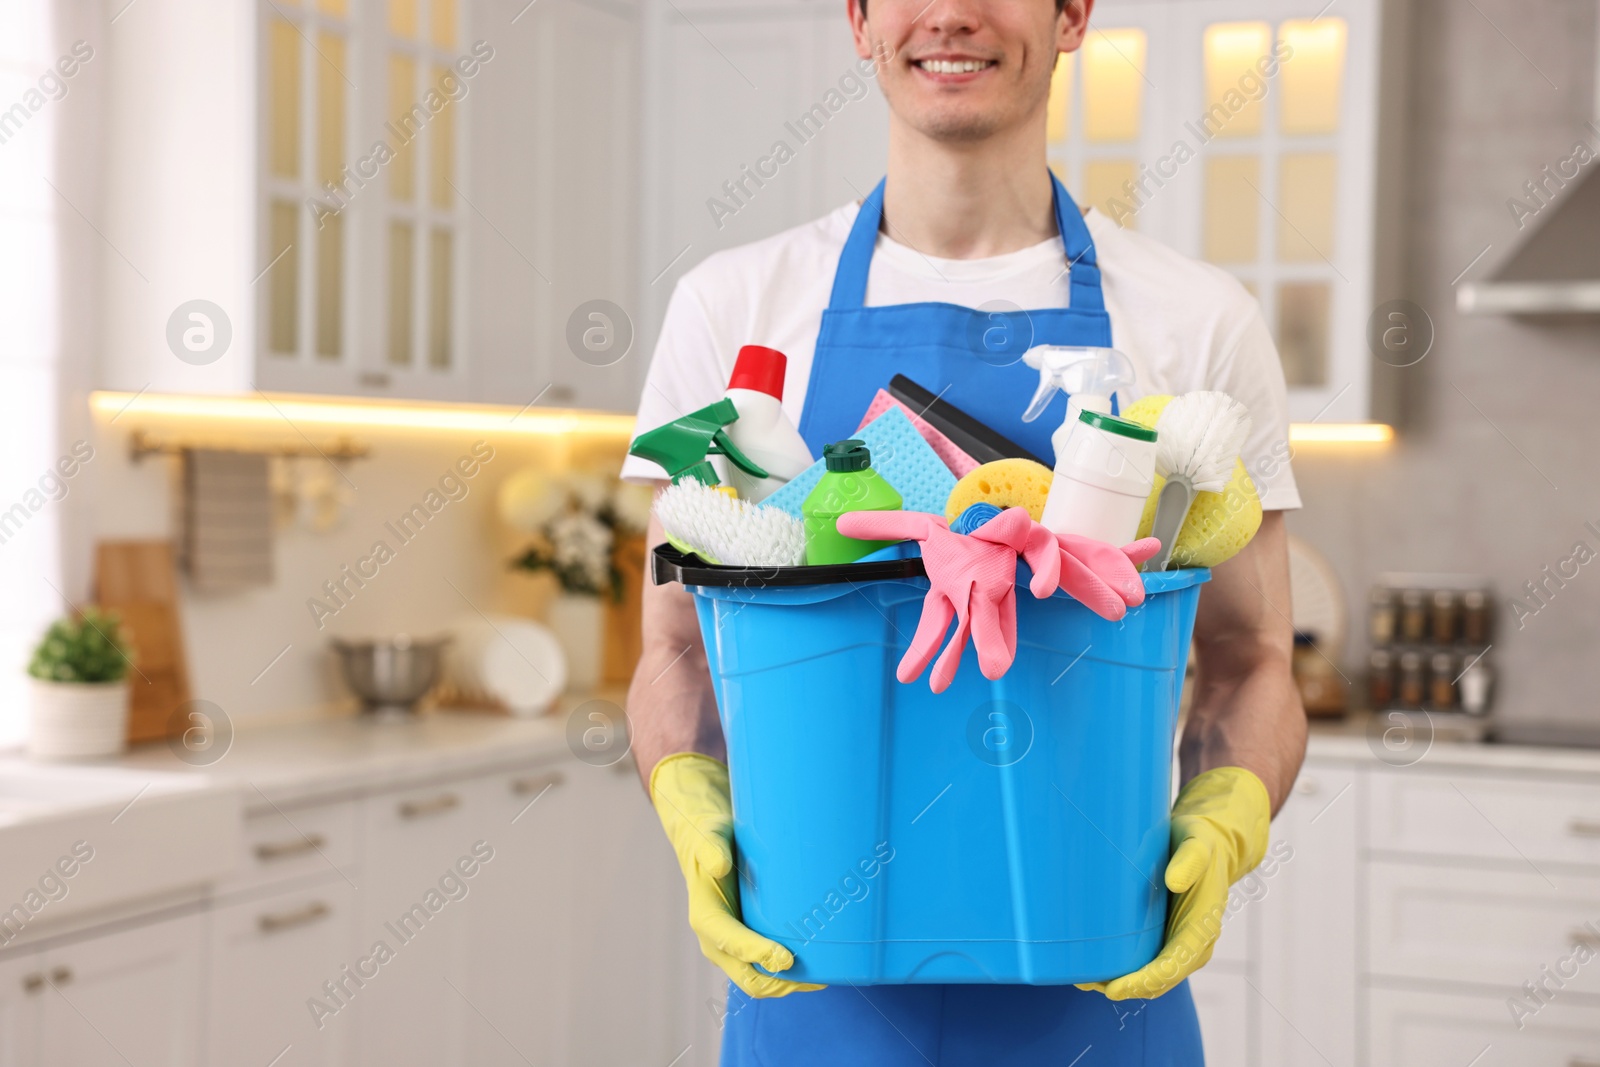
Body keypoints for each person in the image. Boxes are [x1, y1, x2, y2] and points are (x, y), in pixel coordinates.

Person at [619, 0, 1308, 1059]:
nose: (949, 13)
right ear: (856, 18)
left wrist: (1225, 817)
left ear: (1072, 14)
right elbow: (674, 643)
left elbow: (1249, 652)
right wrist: (686, 790)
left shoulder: (1196, 316)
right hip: (814, 983)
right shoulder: (733, 301)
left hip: (1096, 980)